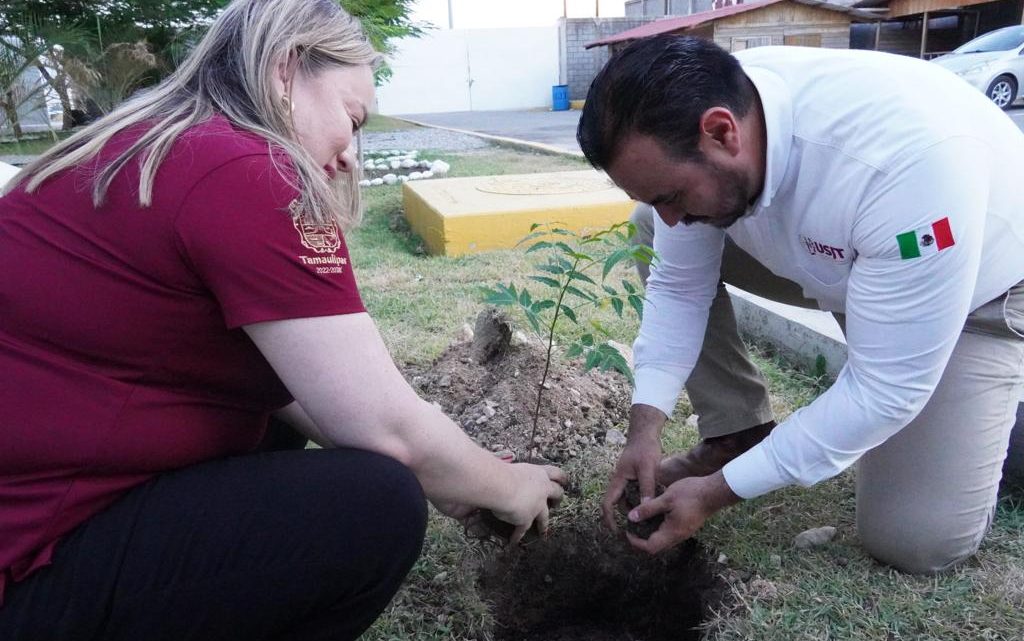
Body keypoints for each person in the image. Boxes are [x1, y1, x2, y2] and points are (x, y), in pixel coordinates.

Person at [0, 1, 565, 639]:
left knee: (279, 424)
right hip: (28, 568)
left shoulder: (154, 147)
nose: (350, 154)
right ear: (285, 69)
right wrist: (506, 484)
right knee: (372, 506)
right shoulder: (244, 168)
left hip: (35, 509)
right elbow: (385, 426)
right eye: (351, 118)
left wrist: (454, 476)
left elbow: (312, 390)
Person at [577, 35, 1024, 574]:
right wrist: (643, 430)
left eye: (671, 195)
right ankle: (736, 433)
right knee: (650, 228)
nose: (672, 217)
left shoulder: (909, 166)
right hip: (843, 258)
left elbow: (885, 390)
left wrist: (718, 492)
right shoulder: (709, 116)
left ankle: (996, 422)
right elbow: (678, 287)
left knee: (914, 541)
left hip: (979, 290)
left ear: (722, 133)